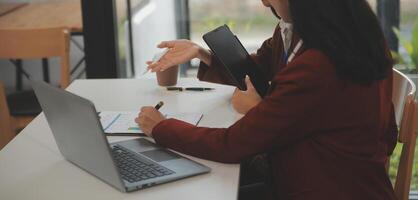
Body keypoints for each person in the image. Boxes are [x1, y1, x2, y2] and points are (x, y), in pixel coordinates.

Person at [136, 0, 398, 199]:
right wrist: (202, 54)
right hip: (338, 178)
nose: (263, 2)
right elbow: (258, 69)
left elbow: (232, 145)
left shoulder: (318, 65)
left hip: (319, 187)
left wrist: (161, 127)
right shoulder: (352, 38)